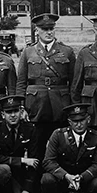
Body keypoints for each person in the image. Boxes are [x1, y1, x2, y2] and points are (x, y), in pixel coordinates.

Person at [17, 13, 76, 159]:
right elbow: (21, 82)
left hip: (60, 106)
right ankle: (35, 179)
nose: (49, 32)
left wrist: (73, 107)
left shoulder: (66, 51)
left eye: (51, 28)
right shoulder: (28, 51)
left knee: (63, 147)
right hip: (36, 106)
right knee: (36, 147)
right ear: (36, 30)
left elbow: (74, 82)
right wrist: (21, 107)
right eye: (44, 29)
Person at [41, 103, 97, 193]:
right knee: (46, 179)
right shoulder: (58, 135)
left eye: (82, 120)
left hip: (84, 179)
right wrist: (66, 176)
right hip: (63, 179)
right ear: (69, 122)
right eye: (75, 121)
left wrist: (81, 177)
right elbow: (48, 161)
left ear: (88, 119)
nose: (79, 124)